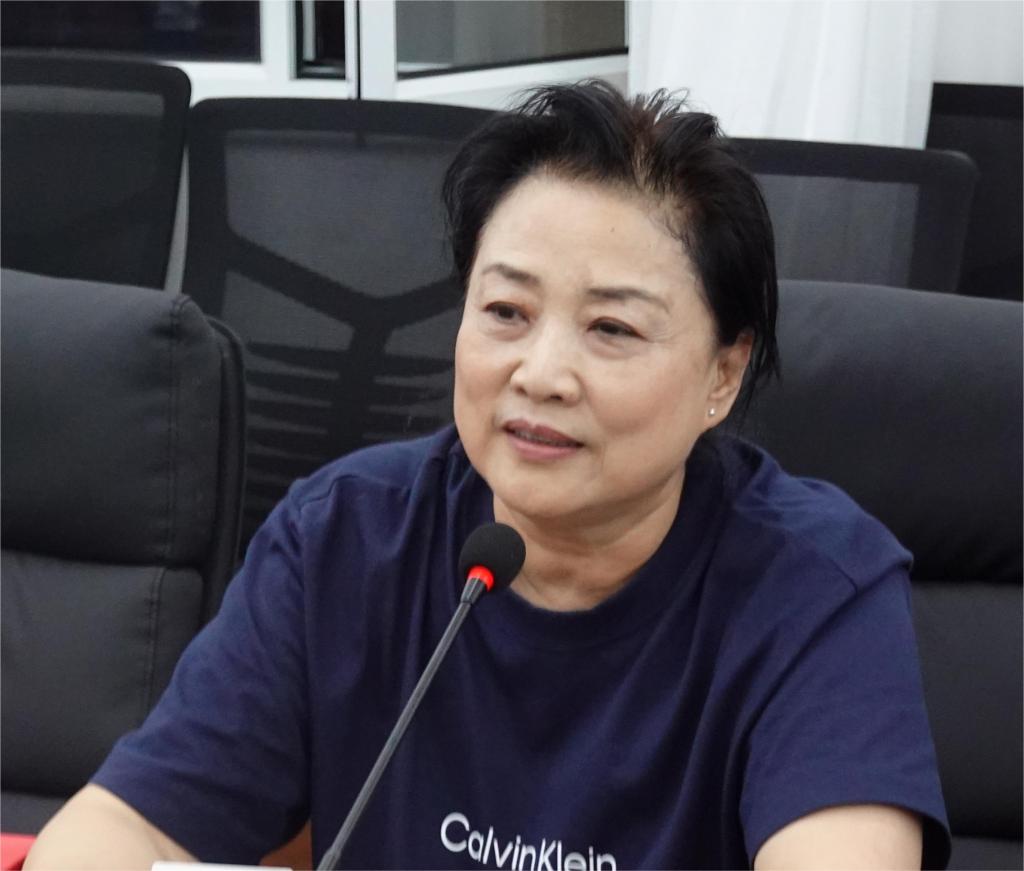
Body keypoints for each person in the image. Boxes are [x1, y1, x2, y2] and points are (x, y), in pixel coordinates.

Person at [26, 81, 950, 870]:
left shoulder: (815, 589)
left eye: (612, 328)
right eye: (506, 310)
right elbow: (124, 824)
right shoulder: (343, 536)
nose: (540, 374)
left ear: (723, 374)